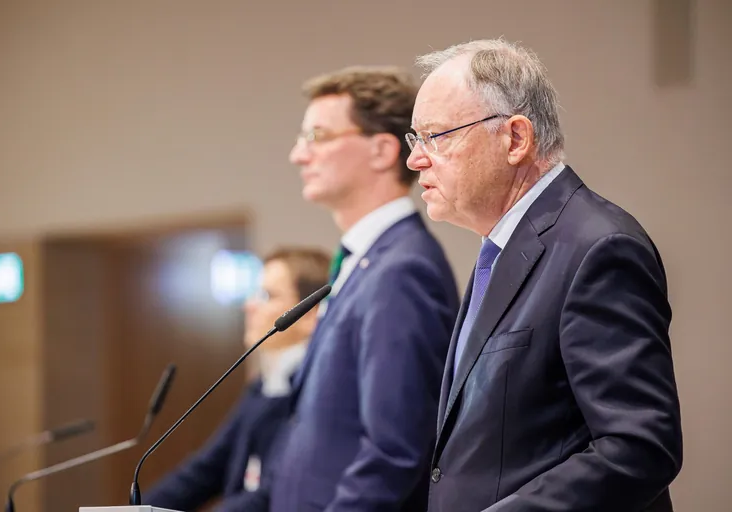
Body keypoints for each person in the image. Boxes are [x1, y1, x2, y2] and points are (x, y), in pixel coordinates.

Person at [405, 38, 683, 511]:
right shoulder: (503, 248)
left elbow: (640, 446)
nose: (415, 159)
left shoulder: (597, 246)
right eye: (416, 139)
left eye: (437, 136)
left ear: (515, 139)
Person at [221, 66, 460, 512]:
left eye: (318, 136)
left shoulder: (402, 270)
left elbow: (395, 453)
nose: (298, 154)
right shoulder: (362, 262)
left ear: (382, 150)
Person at [142, 247, 330, 511]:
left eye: (266, 295)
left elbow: (276, 491)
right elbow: (204, 470)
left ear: (310, 314)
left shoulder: (320, 391)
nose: (249, 305)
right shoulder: (261, 389)